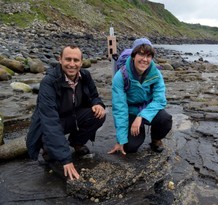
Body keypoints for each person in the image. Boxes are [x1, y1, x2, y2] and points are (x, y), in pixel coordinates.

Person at [26, 45, 106, 180]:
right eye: (68, 59)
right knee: (52, 155)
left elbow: (94, 96)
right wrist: (65, 159)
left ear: (81, 62)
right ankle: (47, 148)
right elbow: (50, 121)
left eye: (76, 60)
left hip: (73, 116)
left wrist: (97, 104)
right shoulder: (49, 82)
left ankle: (77, 143)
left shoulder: (85, 76)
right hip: (53, 122)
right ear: (60, 60)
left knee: (98, 115)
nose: (72, 64)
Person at [108, 38, 172, 155]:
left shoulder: (156, 75)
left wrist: (141, 116)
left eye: (148, 56)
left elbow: (160, 101)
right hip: (131, 111)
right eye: (141, 54)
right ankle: (135, 131)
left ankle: (155, 139)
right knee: (129, 147)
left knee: (165, 119)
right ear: (133, 55)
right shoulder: (121, 76)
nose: (145, 59)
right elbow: (120, 108)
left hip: (148, 109)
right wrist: (121, 140)